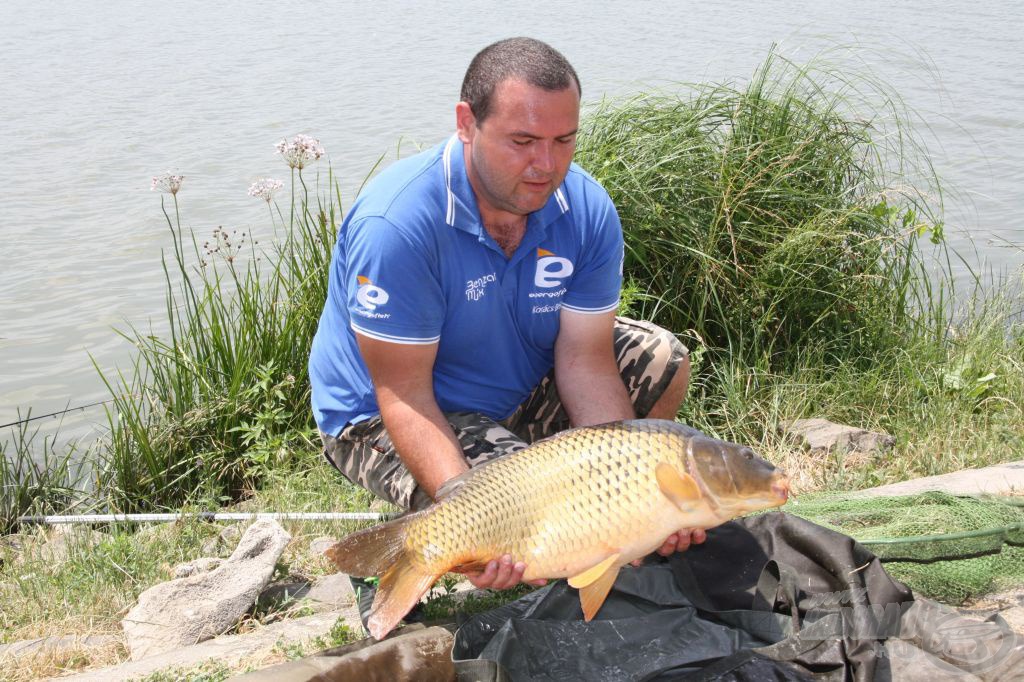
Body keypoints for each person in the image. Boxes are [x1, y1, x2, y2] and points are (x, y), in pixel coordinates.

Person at [308, 37, 701, 598]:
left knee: (659, 358)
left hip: (516, 387)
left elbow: (585, 360)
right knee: (516, 524)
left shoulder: (585, 209)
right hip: (387, 412)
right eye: (523, 141)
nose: (547, 165)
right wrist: (471, 512)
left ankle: (590, 533)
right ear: (467, 123)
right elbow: (403, 394)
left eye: (564, 140)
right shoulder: (397, 225)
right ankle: (433, 546)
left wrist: (630, 498)